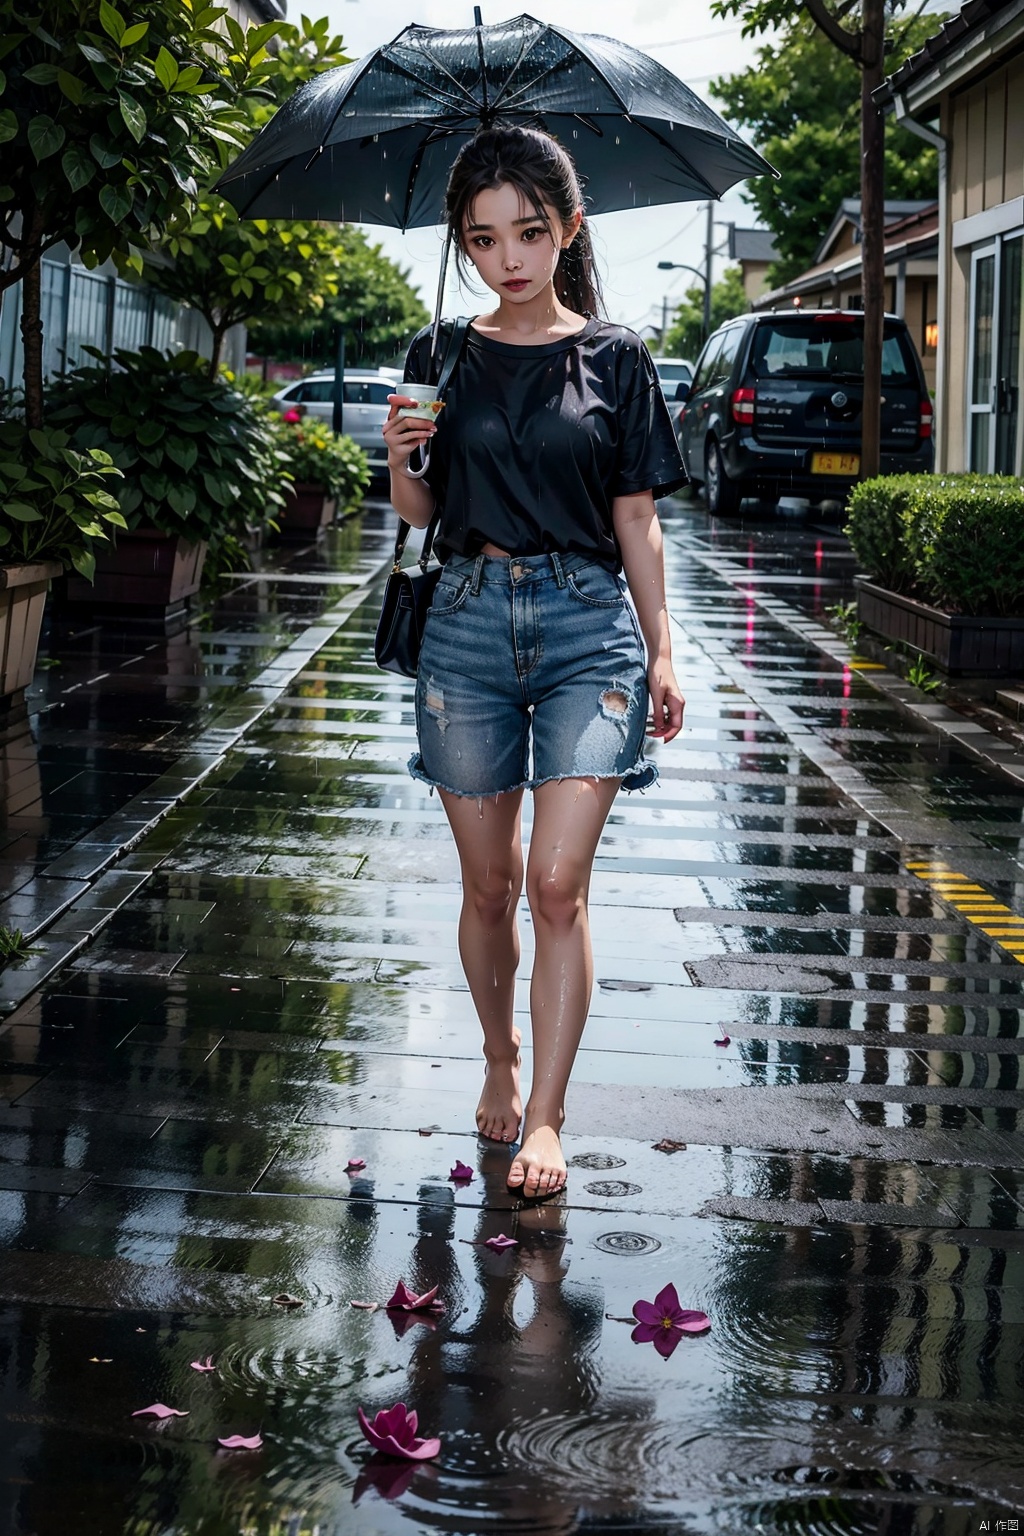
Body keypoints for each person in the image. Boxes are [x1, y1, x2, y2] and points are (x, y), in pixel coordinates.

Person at [382, 124, 686, 1201]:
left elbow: (638, 515)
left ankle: (547, 1115)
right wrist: (399, 453)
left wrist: (662, 648)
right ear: (463, 246)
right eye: (482, 238)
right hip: (462, 622)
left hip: (583, 629)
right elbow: (418, 511)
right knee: (490, 884)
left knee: (557, 885)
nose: (506, 257)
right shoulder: (438, 353)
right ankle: (498, 1054)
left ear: (567, 229)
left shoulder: (617, 357)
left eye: (527, 232)